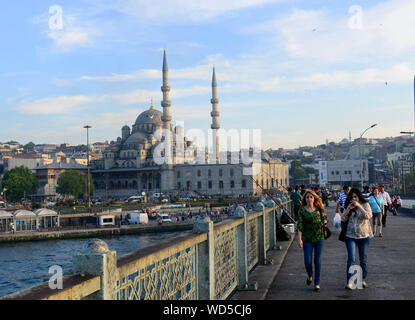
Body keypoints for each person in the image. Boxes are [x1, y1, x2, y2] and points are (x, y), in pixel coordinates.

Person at [341, 188, 373, 290]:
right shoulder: (349, 206)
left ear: (359, 196)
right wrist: (348, 209)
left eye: (355, 197)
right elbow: (343, 218)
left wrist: (359, 206)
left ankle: (362, 279)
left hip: (364, 236)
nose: (354, 199)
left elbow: (368, 216)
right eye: (352, 197)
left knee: (363, 259)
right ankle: (350, 281)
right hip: (350, 235)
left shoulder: (365, 204)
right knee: (351, 258)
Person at [297, 189, 328, 292]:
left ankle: (317, 283)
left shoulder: (319, 208)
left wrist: (324, 222)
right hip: (307, 238)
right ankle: (310, 275)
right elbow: (300, 225)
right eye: (307, 197)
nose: (309, 199)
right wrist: (300, 239)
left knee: (317, 261)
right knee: (307, 261)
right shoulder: (302, 210)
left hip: (319, 237)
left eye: (311, 197)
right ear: (304, 199)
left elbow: (324, 218)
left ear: (314, 198)